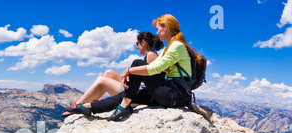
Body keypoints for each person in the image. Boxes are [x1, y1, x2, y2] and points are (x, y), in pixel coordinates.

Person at [66, 14, 212, 122]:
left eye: (158, 28)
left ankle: (122, 107)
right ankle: (88, 108)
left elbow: (155, 68)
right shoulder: (172, 46)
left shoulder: (177, 46)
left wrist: (129, 71)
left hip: (175, 95)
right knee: (127, 95)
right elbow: (157, 67)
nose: (157, 33)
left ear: (166, 27)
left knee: (136, 64)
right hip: (174, 95)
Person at [62, 31, 164, 118]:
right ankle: (91, 101)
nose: (136, 47)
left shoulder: (151, 55)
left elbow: (151, 83)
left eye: (137, 43)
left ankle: (79, 105)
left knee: (101, 81)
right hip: (139, 88)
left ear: (144, 42)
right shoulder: (150, 55)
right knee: (109, 73)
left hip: (139, 93)